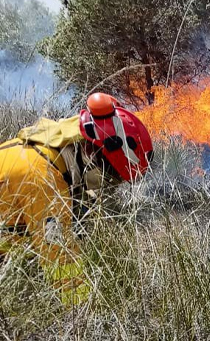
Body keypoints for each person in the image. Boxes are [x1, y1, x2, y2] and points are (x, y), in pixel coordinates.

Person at [0, 92, 152, 303]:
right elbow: (61, 259)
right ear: (90, 151)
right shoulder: (44, 178)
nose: (105, 187)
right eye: (109, 178)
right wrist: (86, 313)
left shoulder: (45, 153)